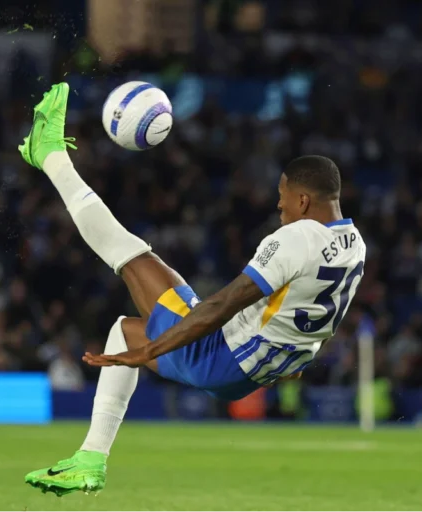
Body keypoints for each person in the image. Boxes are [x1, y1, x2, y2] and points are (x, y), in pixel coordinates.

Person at [21, 83, 367, 496]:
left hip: (223, 357)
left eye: (284, 198)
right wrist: (293, 359)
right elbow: (323, 319)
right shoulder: (354, 244)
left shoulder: (298, 238)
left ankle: (49, 154)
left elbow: (224, 304)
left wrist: (150, 351)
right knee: (126, 329)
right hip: (255, 370)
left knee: (126, 254)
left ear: (304, 201)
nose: (280, 207)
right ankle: (89, 459)